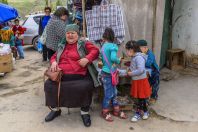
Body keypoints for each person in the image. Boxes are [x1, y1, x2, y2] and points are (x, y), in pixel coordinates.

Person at [44, 24, 100, 127]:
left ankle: (84, 112)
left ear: (77, 35)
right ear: (65, 35)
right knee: (49, 85)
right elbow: (53, 56)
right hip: (61, 75)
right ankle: (56, 109)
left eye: (72, 33)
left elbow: (95, 51)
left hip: (80, 75)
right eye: (68, 33)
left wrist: (87, 58)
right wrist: (53, 63)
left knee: (86, 86)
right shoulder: (62, 45)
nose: (70, 35)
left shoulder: (83, 43)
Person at [100, 27, 127, 122]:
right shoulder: (113, 46)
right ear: (113, 37)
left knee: (112, 92)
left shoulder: (103, 47)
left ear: (104, 37)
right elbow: (113, 58)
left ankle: (115, 109)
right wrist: (119, 59)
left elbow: (102, 59)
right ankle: (105, 112)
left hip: (105, 72)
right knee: (111, 93)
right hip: (111, 73)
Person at [125, 40, 151, 122]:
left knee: (141, 98)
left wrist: (131, 73)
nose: (126, 52)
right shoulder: (134, 57)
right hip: (137, 80)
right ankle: (145, 112)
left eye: (127, 50)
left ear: (132, 50)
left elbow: (141, 70)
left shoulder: (139, 57)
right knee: (141, 99)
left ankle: (138, 114)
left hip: (141, 81)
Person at [136, 40, 160, 104]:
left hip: (154, 72)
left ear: (145, 48)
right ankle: (146, 96)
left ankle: (154, 97)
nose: (138, 50)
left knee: (155, 85)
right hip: (147, 72)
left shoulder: (150, 54)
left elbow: (149, 63)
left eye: (139, 48)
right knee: (147, 84)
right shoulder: (141, 54)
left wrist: (140, 61)